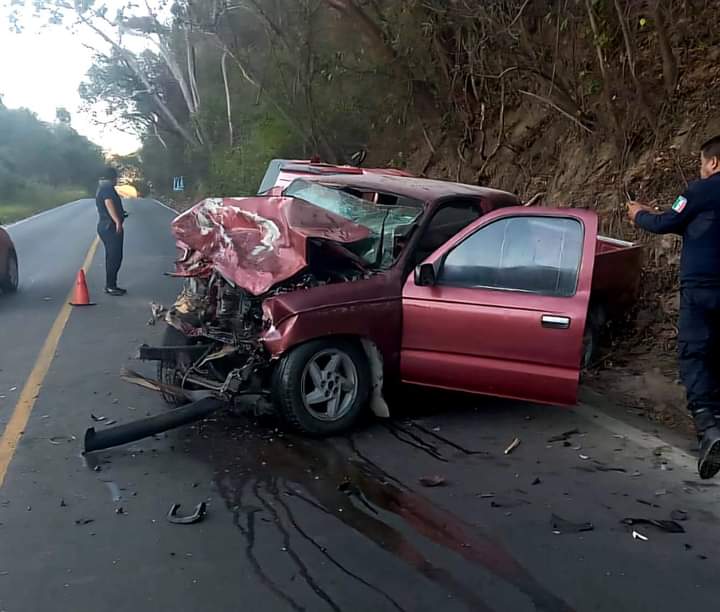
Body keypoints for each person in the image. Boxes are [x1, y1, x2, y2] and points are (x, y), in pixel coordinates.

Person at [628, 136, 720, 479]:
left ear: (714, 163)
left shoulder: (699, 191)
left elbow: (666, 222)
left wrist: (639, 215)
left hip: (701, 289)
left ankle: (710, 430)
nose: (700, 168)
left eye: (702, 162)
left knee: (695, 355)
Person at [96, 166, 127, 296]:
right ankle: (110, 286)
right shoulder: (107, 188)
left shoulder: (102, 188)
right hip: (110, 227)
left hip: (105, 225)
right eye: (116, 177)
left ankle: (111, 284)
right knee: (114, 257)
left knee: (113, 256)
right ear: (112, 178)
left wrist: (121, 214)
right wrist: (117, 221)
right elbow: (109, 204)